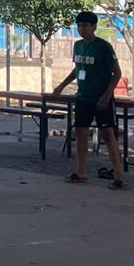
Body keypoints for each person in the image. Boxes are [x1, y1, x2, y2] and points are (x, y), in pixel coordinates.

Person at [52, 10, 125, 189]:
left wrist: (106, 96)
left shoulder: (104, 47)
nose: (81, 29)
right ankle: (81, 171)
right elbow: (77, 69)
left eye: (85, 25)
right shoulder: (78, 46)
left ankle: (118, 175)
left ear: (93, 27)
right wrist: (61, 85)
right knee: (80, 132)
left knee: (108, 135)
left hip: (101, 97)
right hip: (83, 97)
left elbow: (117, 73)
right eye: (79, 25)